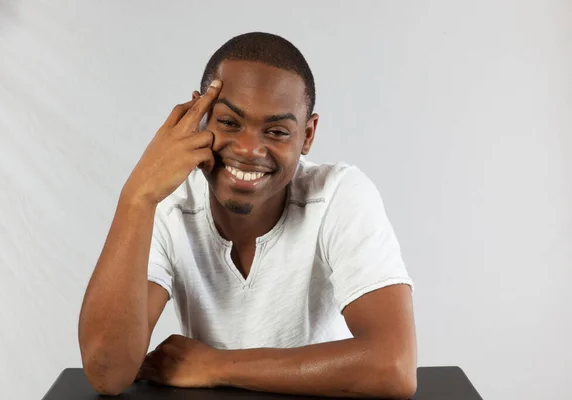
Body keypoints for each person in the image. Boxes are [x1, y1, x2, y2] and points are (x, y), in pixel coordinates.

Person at [78, 32, 417, 398]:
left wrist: (216, 366)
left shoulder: (339, 195)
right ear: (199, 116)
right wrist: (137, 196)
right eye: (228, 122)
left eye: (276, 131)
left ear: (307, 135)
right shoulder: (167, 204)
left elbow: (393, 367)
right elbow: (107, 373)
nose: (249, 149)